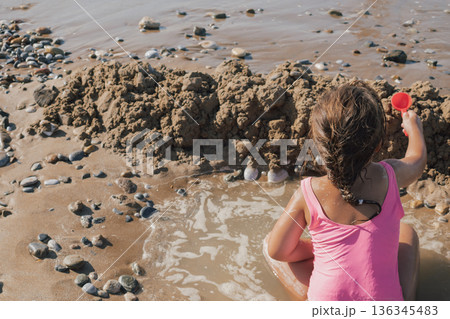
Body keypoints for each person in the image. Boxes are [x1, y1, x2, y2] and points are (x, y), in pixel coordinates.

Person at [264, 81, 426, 301]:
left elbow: (277, 251)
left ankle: (305, 297)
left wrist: (319, 248)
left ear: (318, 145)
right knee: (407, 233)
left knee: (270, 244)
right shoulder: (389, 176)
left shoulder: (309, 191)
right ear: (378, 144)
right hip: (383, 305)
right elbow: (416, 161)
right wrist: (414, 127)